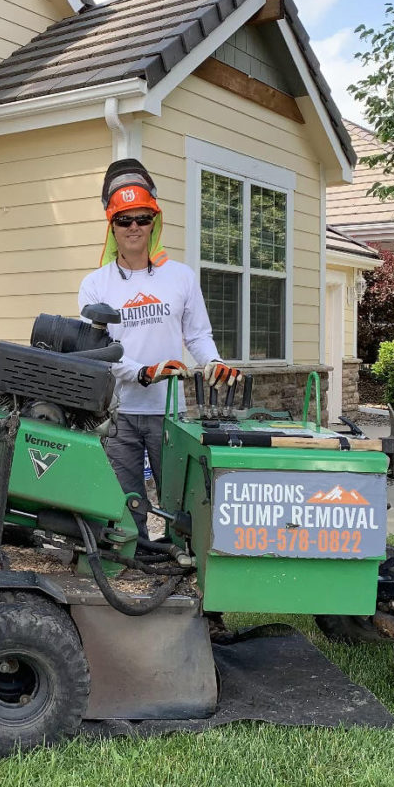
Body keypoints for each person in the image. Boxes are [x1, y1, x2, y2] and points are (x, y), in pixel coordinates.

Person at [78, 158, 241, 540]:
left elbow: (198, 335)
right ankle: (134, 569)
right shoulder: (95, 284)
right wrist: (141, 372)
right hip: (117, 414)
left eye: (142, 219)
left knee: (177, 504)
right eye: (124, 220)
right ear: (112, 224)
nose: (134, 228)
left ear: (155, 221)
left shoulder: (180, 277)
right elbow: (97, 351)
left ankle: (181, 567)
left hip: (170, 414)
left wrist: (214, 363)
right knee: (125, 502)